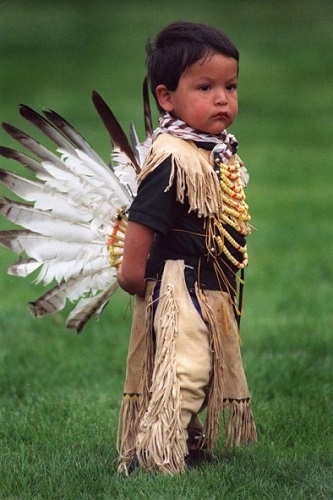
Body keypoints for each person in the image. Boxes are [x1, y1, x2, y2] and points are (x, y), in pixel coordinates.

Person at [116, 20, 257, 475]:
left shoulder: (213, 152)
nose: (222, 98)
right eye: (205, 87)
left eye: (230, 86)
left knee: (204, 368)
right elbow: (142, 220)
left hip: (208, 286)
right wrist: (133, 277)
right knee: (186, 371)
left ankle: (187, 442)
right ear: (166, 97)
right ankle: (151, 456)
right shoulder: (173, 157)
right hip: (180, 286)